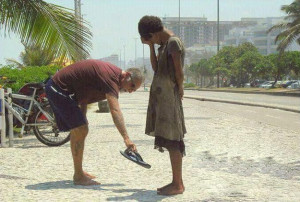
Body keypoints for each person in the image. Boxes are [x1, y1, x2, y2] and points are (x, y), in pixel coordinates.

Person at [45, 59, 143, 186]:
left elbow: (84, 96)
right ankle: (78, 176)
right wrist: (126, 138)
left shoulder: (113, 77)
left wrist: (82, 117)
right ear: (127, 76)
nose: (131, 91)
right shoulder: (111, 78)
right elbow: (115, 110)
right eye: (132, 86)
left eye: (134, 90)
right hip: (57, 87)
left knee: (80, 129)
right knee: (80, 129)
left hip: (60, 89)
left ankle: (78, 172)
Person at [138, 16, 186, 195]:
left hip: (170, 99)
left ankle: (178, 184)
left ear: (152, 33)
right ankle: (176, 182)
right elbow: (156, 68)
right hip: (163, 99)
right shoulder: (163, 45)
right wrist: (151, 46)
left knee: (173, 140)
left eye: (149, 39)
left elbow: (179, 71)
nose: (151, 42)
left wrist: (180, 88)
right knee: (168, 139)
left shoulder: (173, 42)